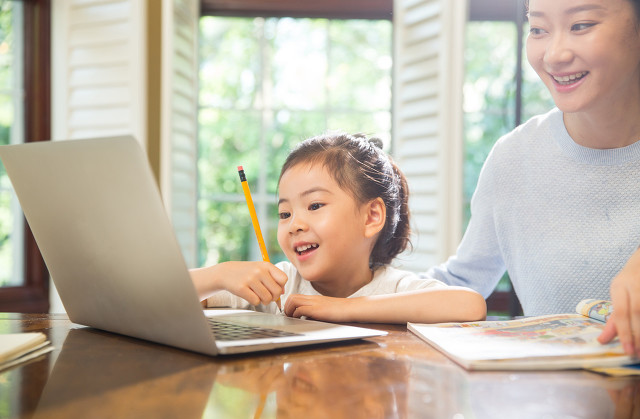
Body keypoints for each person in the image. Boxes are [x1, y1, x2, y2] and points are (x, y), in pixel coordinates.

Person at [421, 0, 640, 355]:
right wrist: (338, 287)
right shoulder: (514, 157)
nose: (554, 55)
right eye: (538, 29)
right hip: (552, 404)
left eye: (581, 25)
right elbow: (461, 283)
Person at [191, 133, 486, 324]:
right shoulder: (278, 289)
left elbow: (470, 305)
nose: (295, 225)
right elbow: (167, 296)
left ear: (371, 217)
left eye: (315, 206)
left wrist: (341, 308)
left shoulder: (393, 287)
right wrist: (218, 274)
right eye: (284, 213)